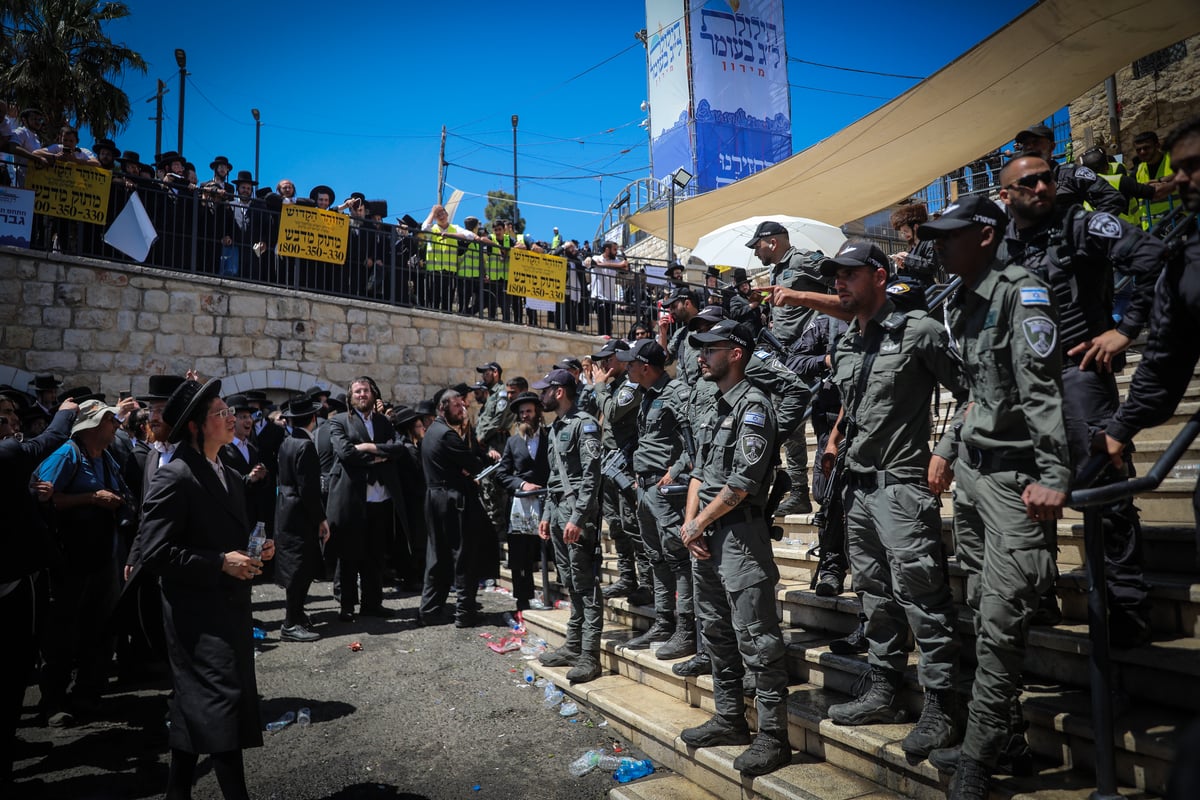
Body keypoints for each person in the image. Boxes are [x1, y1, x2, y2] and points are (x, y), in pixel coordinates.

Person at [915, 197, 1072, 799]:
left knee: (1002, 623)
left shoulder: (1020, 292)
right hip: (977, 478)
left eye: (947, 235)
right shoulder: (961, 298)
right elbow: (977, 391)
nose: (936, 246)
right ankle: (1004, 741)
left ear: (984, 235)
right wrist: (949, 446)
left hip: (1015, 481)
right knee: (982, 613)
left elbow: (1041, 391)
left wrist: (1055, 474)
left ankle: (978, 761)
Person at [1000, 153, 1167, 644]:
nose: (1042, 187)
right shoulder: (999, 245)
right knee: (1028, 491)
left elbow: (1156, 260)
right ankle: (1042, 596)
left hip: (1080, 375)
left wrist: (1126, 330)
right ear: (1006, 193)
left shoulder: (1082, 224)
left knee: (1106, 490)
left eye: (1047, 178)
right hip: (1023, 387)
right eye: (1028, 181)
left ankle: (1128, 611)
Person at [818, 240, 966, 759]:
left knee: (923, 598)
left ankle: (943, 707)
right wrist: (835, 437)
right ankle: (884, 689)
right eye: (835, 275)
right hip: (858, 489)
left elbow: (972, 392)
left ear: (879, 275)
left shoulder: (919, 330)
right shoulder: (850, 343)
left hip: (903, 486)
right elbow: (855, 403)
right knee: (875, 596)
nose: (839, 282)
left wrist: (945, 452)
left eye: (850, 274)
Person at [137, 377, 275, 800]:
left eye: (228, 411)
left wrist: (256, 551)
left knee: (195, 711)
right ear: (196, 426)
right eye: (220, 413)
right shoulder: (175, 477)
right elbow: (154, 553)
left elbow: (226, 538)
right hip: (196, 619)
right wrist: (219, 562)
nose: (231, 418)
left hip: (228, 610)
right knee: (219, 714)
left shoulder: (230, 474)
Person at [678, 319, 791, 777]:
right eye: (700, 349)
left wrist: (699, 523)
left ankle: (773, 736)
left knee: (757, 639)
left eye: (711, 348)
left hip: (740, 537)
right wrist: (691, 524)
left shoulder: (754, 407)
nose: (701, 356)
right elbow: (700, 474)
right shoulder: (714, 405)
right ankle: (730, 718)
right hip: (705, 537)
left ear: (737, 353)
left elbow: (743, 482)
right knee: (717, 633)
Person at [1104, 116, 1200, 568]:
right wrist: (1122, 428)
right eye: (1178, 168)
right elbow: (1164, 356)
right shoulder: (1187, 259)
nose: (1179, 180)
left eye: (1193, 166)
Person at [34, 398, 131, 726]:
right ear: (92, 424)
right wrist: (90, 498)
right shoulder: (67, 454)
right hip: (70, 561)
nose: (116, 425)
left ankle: (87, 695)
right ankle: (53, 702)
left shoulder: (108, 458)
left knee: (101, 629)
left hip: (104, 558)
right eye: (109, 420)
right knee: (63, 633)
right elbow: (44, 498)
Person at [0, 397, 76, 789]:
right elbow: (52, 438)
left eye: (13, 416)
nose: (12, 424)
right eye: (5, 418)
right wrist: (66, 410)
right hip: (11, 583)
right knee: (15, 667)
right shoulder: (8, 453)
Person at [748, 220, 834, 515]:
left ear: (772, 242)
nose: (756, 252)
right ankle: (798, 490)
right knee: (789, 426)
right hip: (783, 357)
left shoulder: (803, 260)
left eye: (757, 245)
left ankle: (805, 490)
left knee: (794, 422)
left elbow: (838, 283)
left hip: (804, 354)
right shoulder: (778, 270)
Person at [617, 338, 695, 657]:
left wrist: (675, 471)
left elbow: (694, 441)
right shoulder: (647, 395)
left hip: (666, 491)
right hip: (645, 489)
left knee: (676, 558)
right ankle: (664, 621)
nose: (627, 368)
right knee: (656, 558)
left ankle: (686, 628)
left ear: (646, 367)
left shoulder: (677, 394)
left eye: (631, 364)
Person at [534, 369, 604, 684]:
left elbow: (591, 477)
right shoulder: (555, 428)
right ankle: (573, 646)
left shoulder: (584, 424)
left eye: (545, 391)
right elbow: (553, 479)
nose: (541, 397)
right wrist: (548, 514)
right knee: (571, 583)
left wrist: (577, 517)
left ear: (560, 391)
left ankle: (589, 656)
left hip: (579, 513)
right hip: (561, 511)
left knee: (586, 585)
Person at [325, 377, 405, 621]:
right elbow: (345, 452)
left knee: (375, 555)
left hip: (379, 498)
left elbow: (398, 447)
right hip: (352, 498)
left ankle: (373, 604)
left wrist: (368, 448)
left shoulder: (383, 421)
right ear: (350, 397)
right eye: (357, 391)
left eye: (366, 391)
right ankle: (347, 605)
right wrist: (380, 455)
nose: (362, 395)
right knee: (349, 555)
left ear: (373, 394)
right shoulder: (339, 421)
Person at [419, 389, 494, 627]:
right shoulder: (446, 435)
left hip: (435, 497)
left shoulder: (432, 432)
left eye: (463, 406)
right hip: (452, 500)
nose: (462, 410)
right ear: (442, 408)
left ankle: (430, 611)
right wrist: (469, 466)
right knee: (464, 556)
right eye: (457, 406)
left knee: (438, 556)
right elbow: (474, 462)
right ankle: (465, 612)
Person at [590, 340, 651, 607]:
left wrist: (599, 386)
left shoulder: (630, 384)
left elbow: (613, 412)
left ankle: (648, 583)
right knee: (616, 524)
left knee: (633, 525)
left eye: (609, 359)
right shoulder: (612, 386)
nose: (603, 365)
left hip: (627, 464)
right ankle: (628, 577)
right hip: (609, 463)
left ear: (623, 360)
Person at [274, 399, 330, 642]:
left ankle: (296, 615)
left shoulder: (288, 441)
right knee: (300, 568)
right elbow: (308, 489)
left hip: (286, 509)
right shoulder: (305, 445)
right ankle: (290, 623)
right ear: (313, 418)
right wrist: (321, 518)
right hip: (300, 514)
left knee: (297, 566)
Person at [497, 391, 551, 620]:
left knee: (548, 550)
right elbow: (502, 474)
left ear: (537, 412)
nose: (525, 416)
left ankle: (553, 594)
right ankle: (523, 601)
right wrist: (522, 484)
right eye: (522, 413)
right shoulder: (513, 441)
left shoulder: (551, 436)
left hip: (548, 501)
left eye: (529, 411)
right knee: (520, 555)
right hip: (520, 506)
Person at [1013, 123, 1126, 216]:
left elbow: (1113, 199)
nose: (1030, 147)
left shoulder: (1071, 174)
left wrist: (1085, 231)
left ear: (1052, 147)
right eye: (1026, 144)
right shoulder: (1018, 182)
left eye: (1036, 142)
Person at [1132, 130, 1180, 229]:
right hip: (1151, 227)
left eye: (1146, 148)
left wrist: (1161, 180)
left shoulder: (1174, 160)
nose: (1142, 152)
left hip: (1177, 222)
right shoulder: (1138, 170)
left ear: (1157, 145)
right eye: (1138, 149)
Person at [589, 241, 628, 336]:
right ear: (607, 250)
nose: (616, 252)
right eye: (614, 249)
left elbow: (626, 267)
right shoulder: (596, 257)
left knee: (609, 323)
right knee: (602, 322)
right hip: (598, 296)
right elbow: (593, 263)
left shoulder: (615, 260)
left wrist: (602, 265)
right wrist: (619, 266)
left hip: (610, 298)